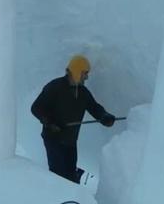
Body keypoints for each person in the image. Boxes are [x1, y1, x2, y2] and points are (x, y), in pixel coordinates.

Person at [31, 55, 116, 183]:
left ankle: (73, 198)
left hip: (70, 141)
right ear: (77, 71)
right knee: (58, 176)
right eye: (85, 73)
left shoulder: (83, 92)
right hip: (53, 139)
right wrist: (49, 122)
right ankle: (57, 199)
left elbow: (94, 107)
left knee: (71, 176)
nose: (86, 77)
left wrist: (104, 116)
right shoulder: (55, 87)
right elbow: (36, 108)